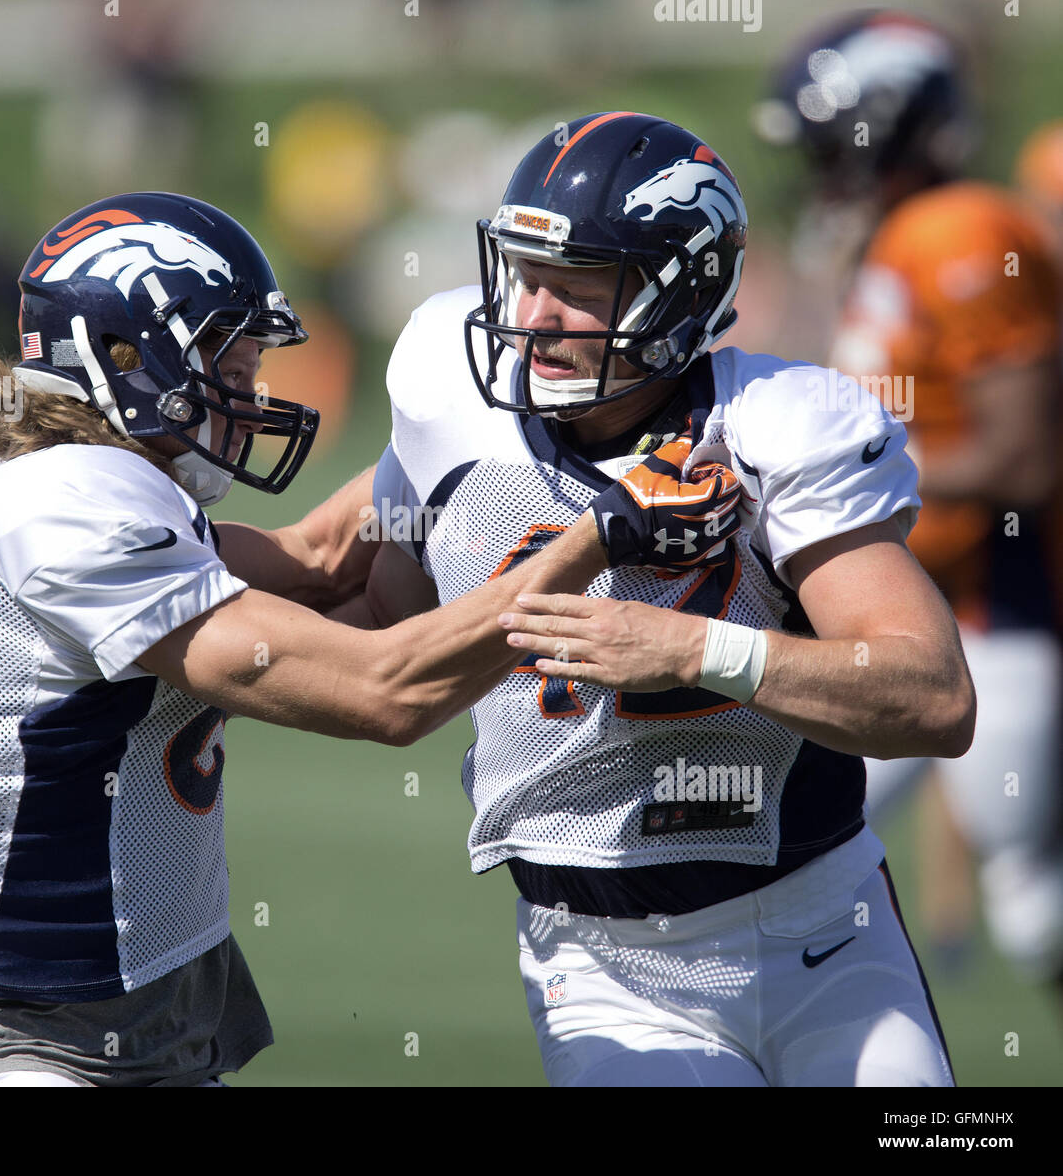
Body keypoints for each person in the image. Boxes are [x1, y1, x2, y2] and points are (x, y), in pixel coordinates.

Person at [264, 112, 975, 1086]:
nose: (534, 314)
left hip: (820, 930)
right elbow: (378, 609)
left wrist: (694, 650)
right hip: (602, 961)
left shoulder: (774, 425)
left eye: (580, 284)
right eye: (524, 272)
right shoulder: (447, 389)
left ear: (681, 290)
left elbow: (932, 696)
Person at [0, 190, 661, 1087]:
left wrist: (473, 442)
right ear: (124, 354)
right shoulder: (61, 508)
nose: (253, 391)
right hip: (23, 1031)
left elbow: (321, 560)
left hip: (160, 1002)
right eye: (230, 358)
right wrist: (604, 533)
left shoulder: (102, 477)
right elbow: (385, 690)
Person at [758, 11, 1063, 989]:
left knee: (1030, 899)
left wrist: (841, 470)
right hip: (901, 609)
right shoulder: (901, 235)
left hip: (992, 612)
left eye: (825, 139)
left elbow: (1022, 461)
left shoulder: (964, 230)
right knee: (775, 829)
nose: (816, 166)